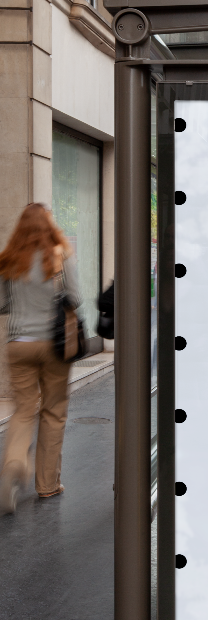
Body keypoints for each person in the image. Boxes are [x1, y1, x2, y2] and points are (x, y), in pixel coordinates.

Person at [0, 204, 82, 514]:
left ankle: (13, 464)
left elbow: (1, 305)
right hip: (55, 345)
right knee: (53, 412)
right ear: (50, 226)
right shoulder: (62, 254)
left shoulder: (8, 259)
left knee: (23, 409)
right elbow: (75, 298)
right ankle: (47, 486)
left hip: (18, 344)